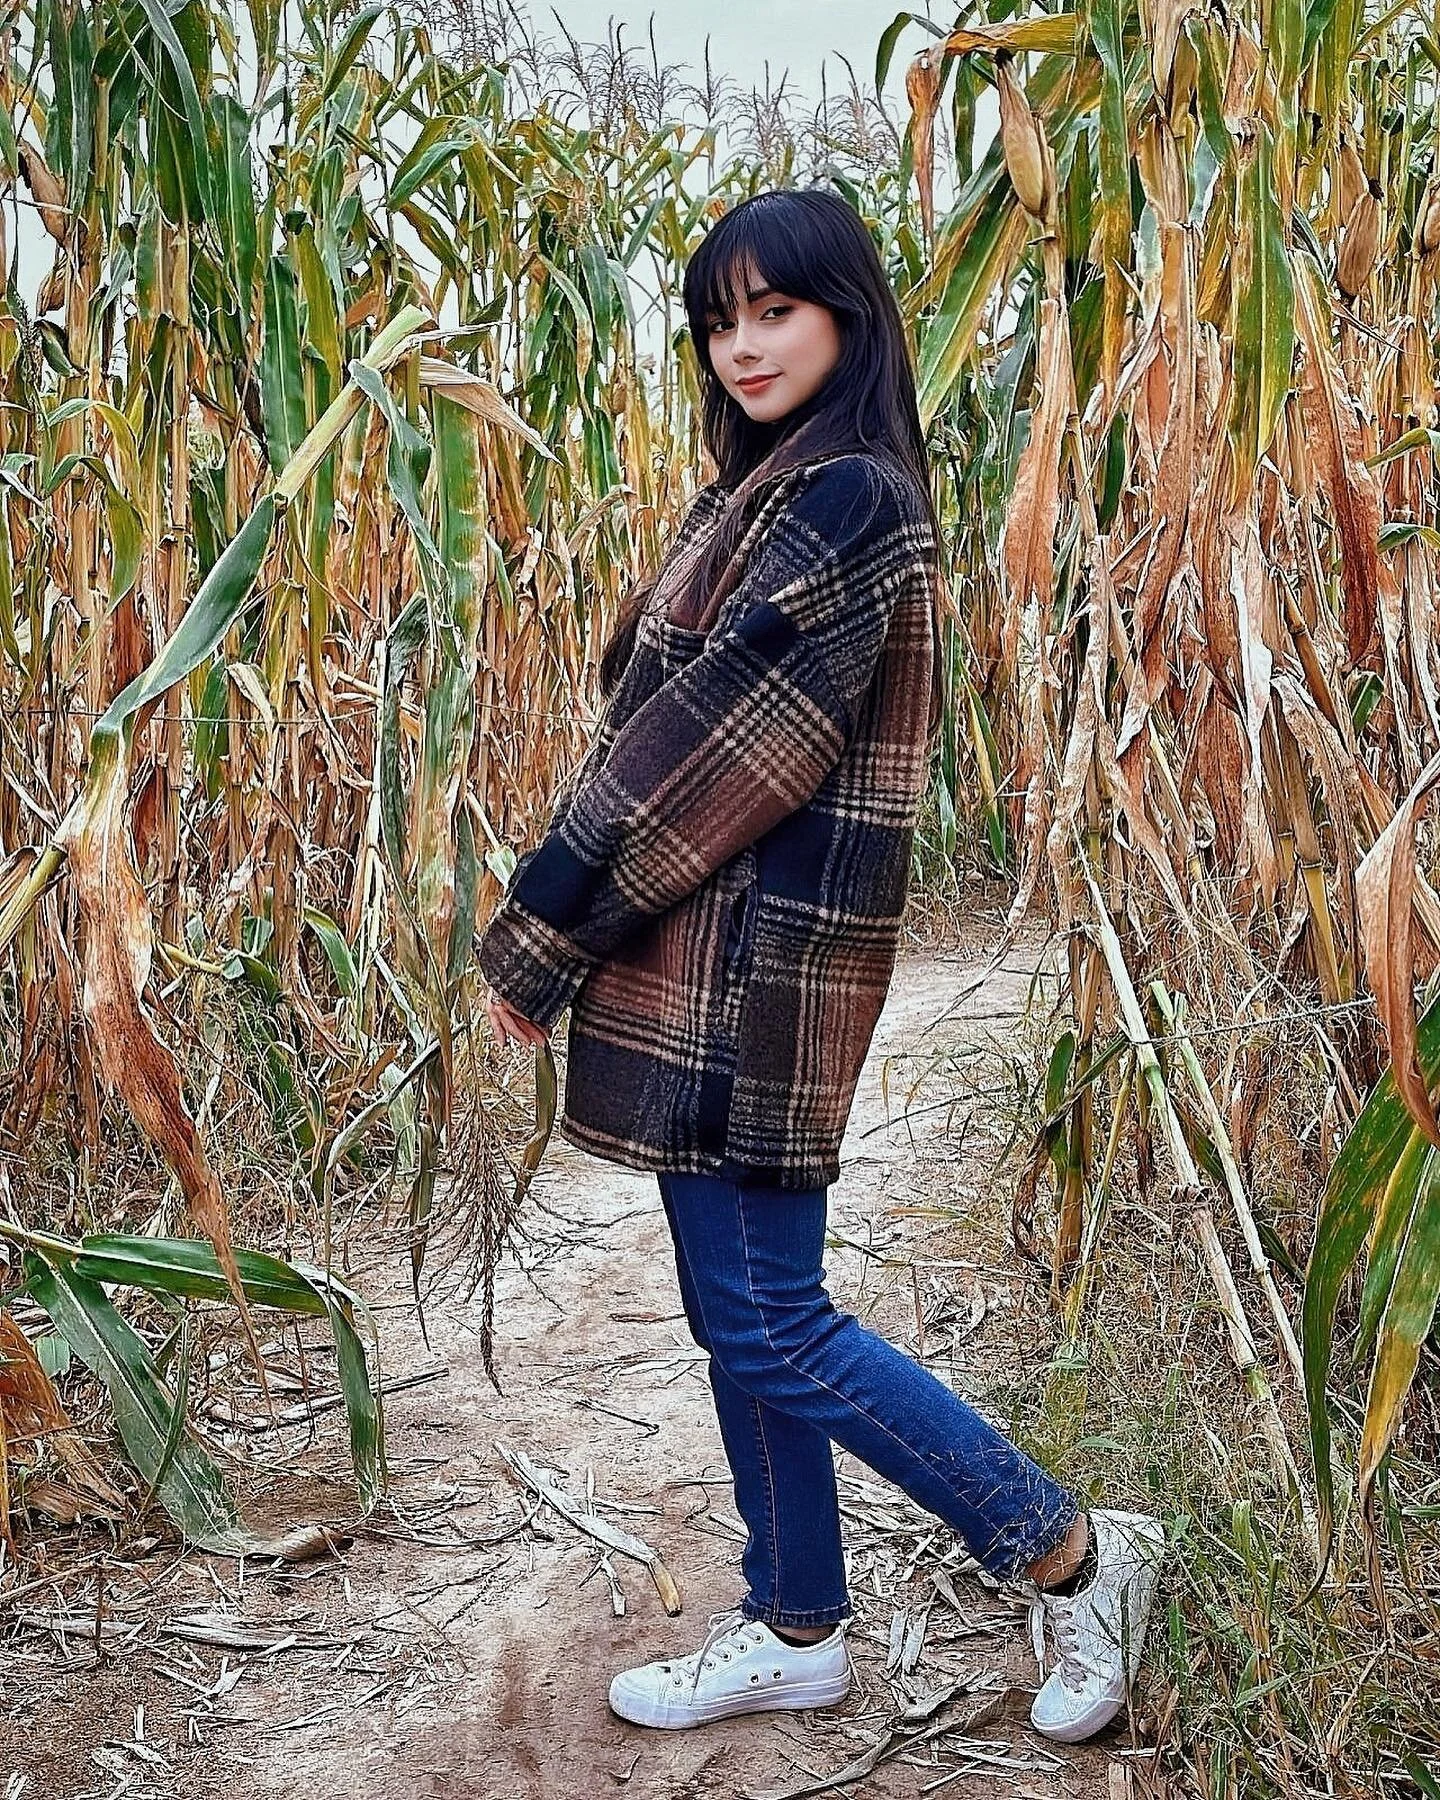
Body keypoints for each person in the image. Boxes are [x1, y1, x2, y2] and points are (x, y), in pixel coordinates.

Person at [477, 186, 1164, 1744]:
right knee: (741, 1315)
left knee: (777, 1320)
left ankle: (1073, 1550)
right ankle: (796, 1621)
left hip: (756, 975)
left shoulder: (846, 500)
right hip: (702, 968)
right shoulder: (771, 490)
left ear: (848, 315)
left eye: (773, 309)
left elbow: (706, 751)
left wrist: (543, 924)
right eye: (718, 319)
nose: (742, 345)